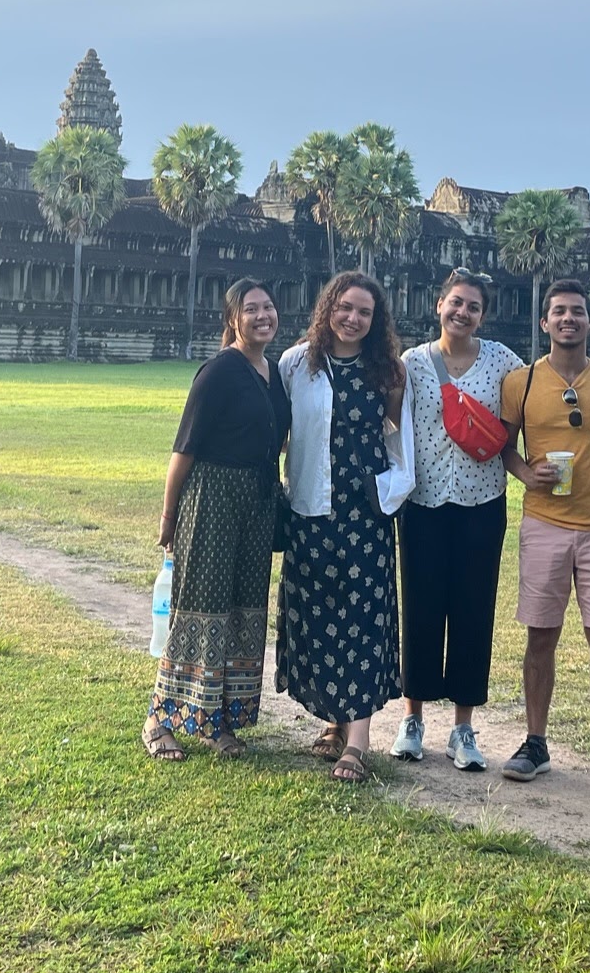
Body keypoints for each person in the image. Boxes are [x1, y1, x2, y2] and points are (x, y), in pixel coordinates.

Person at [498, 279, 590, 793]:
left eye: (577, 312)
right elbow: (502, 444)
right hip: (544, 522)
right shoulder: (522, 381)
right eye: (558, 312)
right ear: (544, 322)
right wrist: (523, 472)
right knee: (541, 636)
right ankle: (535, 741)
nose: (568, 320)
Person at [278, 271, 416, 782]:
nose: (353, 318)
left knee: (361, 618)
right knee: (318, 617)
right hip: (312, 510)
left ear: (376, 320)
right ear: (327, 308)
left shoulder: (389, 372)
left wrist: (392, 490)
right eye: (345, 307)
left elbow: (400, 439)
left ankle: (357, 740)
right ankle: (335, 724)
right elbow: (281, 432)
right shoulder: (297, 363)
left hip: (366, 513)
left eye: (364, 312)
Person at [144, 279, 291, 761]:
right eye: (251, 309)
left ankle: (216, 720)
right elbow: (182, 450)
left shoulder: (275, 372)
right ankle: (160, 719)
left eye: (268, 307)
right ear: (233, 319)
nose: (262, 315)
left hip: (256, 501)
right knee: (200, 609)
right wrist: (169, 518)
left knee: (243, 611)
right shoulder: (218, 372)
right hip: (211, 498)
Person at [389, 268, 524, 771]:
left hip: (482, 503)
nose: (462, 313)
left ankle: (463, 727)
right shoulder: (413, 363)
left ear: (482, 316)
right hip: (423, 502)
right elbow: (389, 417)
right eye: (456, 303)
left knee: (473, 611)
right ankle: (413, 718)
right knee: (420, 607)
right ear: (438, 304)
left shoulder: (505, 363)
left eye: (473, 307)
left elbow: (532, 407)